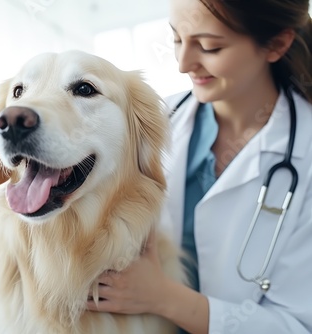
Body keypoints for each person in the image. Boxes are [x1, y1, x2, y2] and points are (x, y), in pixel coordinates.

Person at [87, 0, 312, 333]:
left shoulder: (304, 154)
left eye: (210, 46)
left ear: (277, 44)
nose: (183, 63)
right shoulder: (158, 121)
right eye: (177, 39)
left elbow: (297, 325)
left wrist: (164, 298)